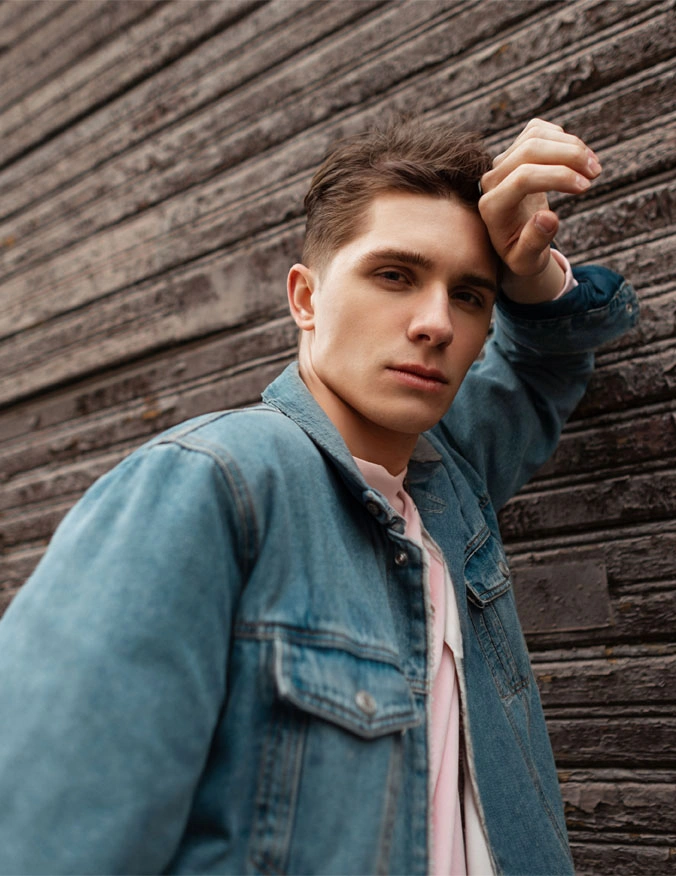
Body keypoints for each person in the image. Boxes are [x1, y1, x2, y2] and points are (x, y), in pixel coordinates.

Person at [0, 116, 637, 875]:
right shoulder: (207, 484)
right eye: (395, 275)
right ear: (305, 298)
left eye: (468, 295)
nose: (435, 323)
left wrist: (528, 279)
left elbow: (547, 362)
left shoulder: (446, 485)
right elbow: (44, 838)